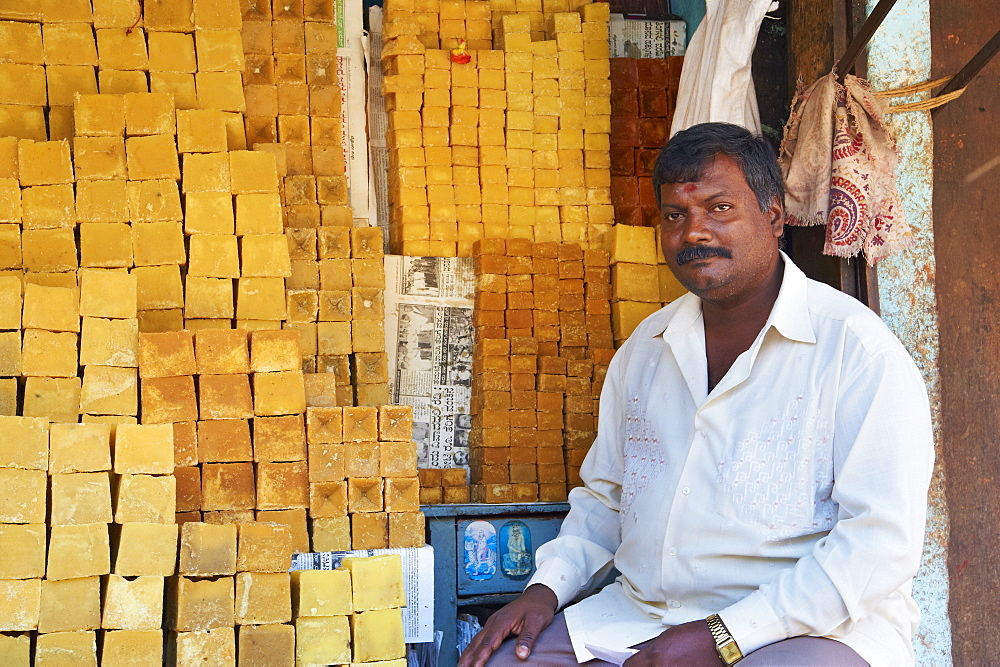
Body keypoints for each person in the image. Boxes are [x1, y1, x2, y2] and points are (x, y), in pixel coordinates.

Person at [459, 122, 934, 666]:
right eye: (674, 216)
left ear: (774, 216)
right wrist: (544, 591)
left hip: (803, 630)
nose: (694, 233)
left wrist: (722, 635)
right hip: (638, 619)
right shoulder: (645, 350)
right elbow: (606, 497)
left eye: (720, 208)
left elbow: (878, 545)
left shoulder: (857, 353)